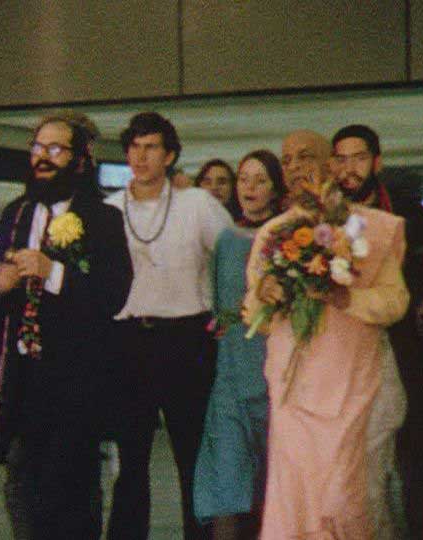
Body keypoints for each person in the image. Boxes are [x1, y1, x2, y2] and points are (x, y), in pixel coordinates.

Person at [242, 130, 410, 539]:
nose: (295, 167)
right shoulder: (273, 233)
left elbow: (395, 302)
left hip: (354, 388)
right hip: (294, 393)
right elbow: (254, 313)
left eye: (305, 157)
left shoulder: (370, 228)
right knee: (294, 501)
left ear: (330, 165)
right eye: (286, 160)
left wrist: (344, 297)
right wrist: (266, 296)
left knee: (348, 500)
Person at [0, 115, 132, 539]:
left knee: (73, 489)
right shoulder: (15, 213)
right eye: (37, 148)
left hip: (75, 380)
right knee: (22, 488)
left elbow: (113, 295)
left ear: (80, 161)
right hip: (22, 378)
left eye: (55, 150)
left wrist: (53, 273)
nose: (42, 159)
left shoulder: (102, 219)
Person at [104, 112, 232, 540]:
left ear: (170, 155)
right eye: (134, 147)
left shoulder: (197, 204)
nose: (140, 157)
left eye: (151, 147)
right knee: (130, 461)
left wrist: (228, 315)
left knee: (192, 457)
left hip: (186, 340)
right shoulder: (108, 210)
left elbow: (234, 258)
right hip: (126, 343)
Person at [332, 124, 423, 539]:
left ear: (377, 162)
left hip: (409, 348)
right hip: (347, 358)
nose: (349, 168)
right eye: (341, 158)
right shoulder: (326, 219)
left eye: (358, 158)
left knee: (412, 456)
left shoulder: (408, 214)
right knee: (362, 467)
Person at [193, 149, 286, 540]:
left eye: (260, 179)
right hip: (231, 376)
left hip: (275, 378)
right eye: (244, 179)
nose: (249, 187)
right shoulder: (227, 240)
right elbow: (218, 306)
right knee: (225, 483)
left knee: (274, 487)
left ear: (275, 187)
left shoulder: (288, 238)